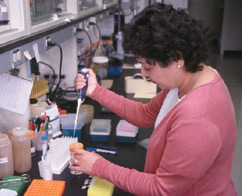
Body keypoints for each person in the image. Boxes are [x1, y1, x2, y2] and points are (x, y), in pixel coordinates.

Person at [70, 3, 237, 196]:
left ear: (177, 58)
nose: (143, 73)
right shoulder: (189, 78)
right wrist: (96, 91)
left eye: (148, 67)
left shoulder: (197, 120)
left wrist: (99, 166)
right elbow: (145, 114)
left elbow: (161, 189)